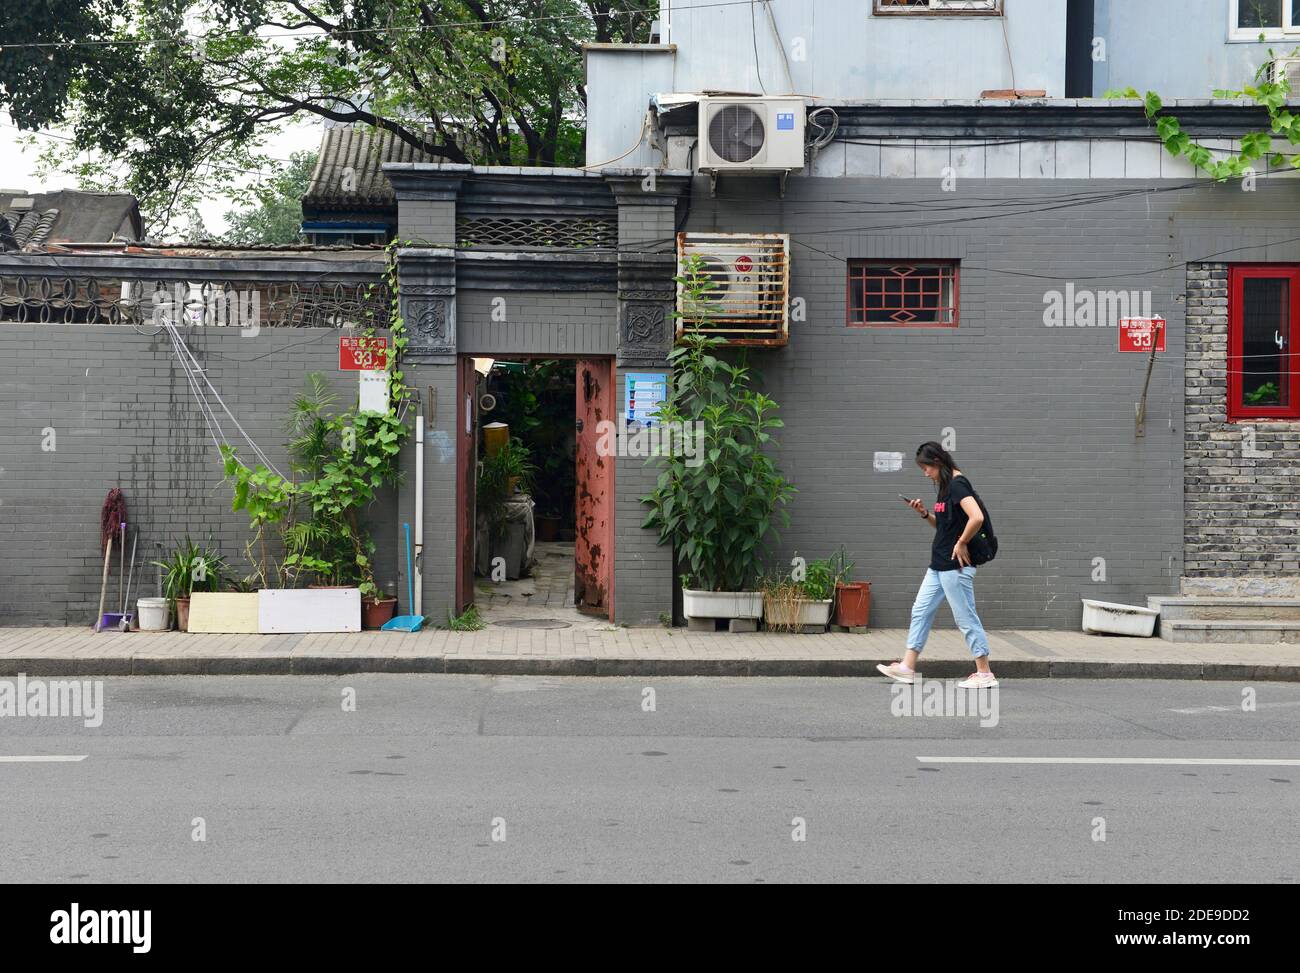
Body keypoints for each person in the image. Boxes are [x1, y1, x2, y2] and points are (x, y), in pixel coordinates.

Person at [877, 442, 997, 689]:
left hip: (956, 566)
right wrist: (924, 513)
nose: (925, 473)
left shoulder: (957, 484)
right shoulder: (944, 487)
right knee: (921, 610)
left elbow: (977, 517)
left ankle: (984, 672)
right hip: (939, 565)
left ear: (938, 462)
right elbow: (944, 527)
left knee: (965, 617)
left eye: (926, 467)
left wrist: (962, 542)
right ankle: (907, 667)